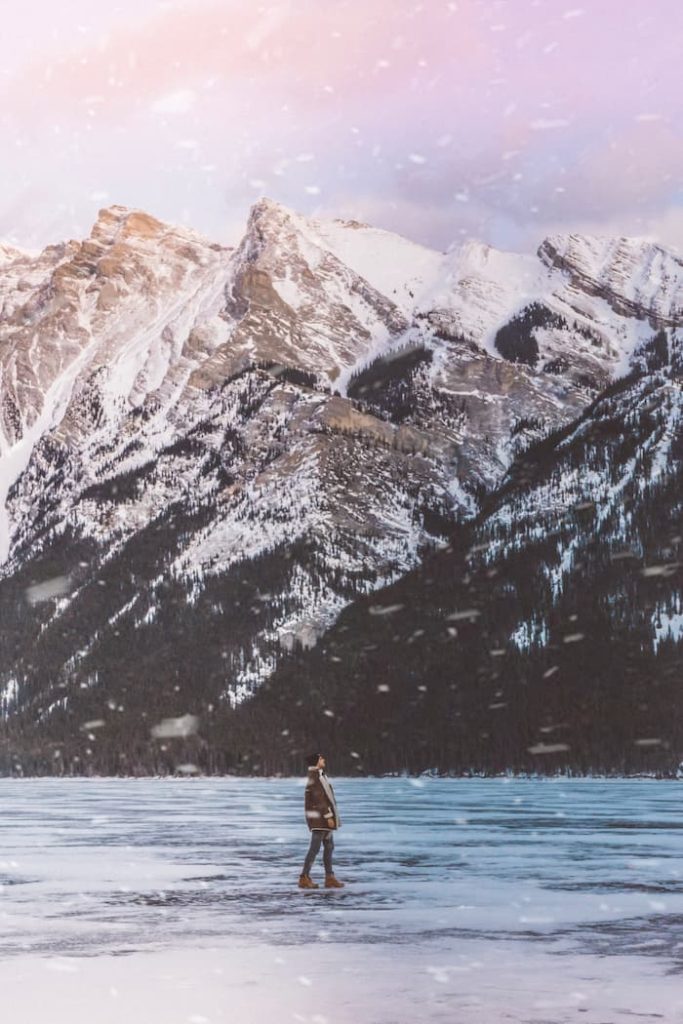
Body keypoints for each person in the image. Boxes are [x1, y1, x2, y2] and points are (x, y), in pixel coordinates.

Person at [298, 752, 345, 889]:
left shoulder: (320, 775)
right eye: (321, 758)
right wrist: (328, 816)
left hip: (322, 820)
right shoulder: (315, 777)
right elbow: (319, 799)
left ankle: (329, 877)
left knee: (329, 847)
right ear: (317, 761)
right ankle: (304, 878)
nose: (324, 759)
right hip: (320, 820)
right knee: (314, 849)